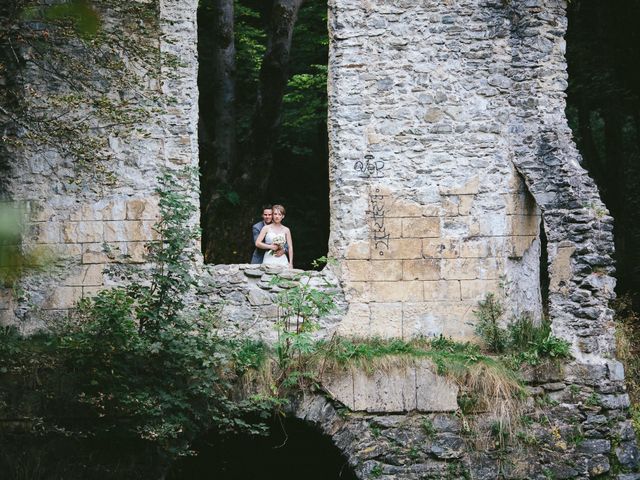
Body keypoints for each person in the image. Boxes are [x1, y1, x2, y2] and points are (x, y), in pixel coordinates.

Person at [255, 204, 293, 268]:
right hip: (268, 258)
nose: (277, 216)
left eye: (279, 214)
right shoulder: (266, 228)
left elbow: (290, 247)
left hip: (282, 259)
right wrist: (270, 246)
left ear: (283, 216)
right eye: (275, 214)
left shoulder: (286, 230)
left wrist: (291, 263)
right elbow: (257, 243)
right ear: (272, 215)